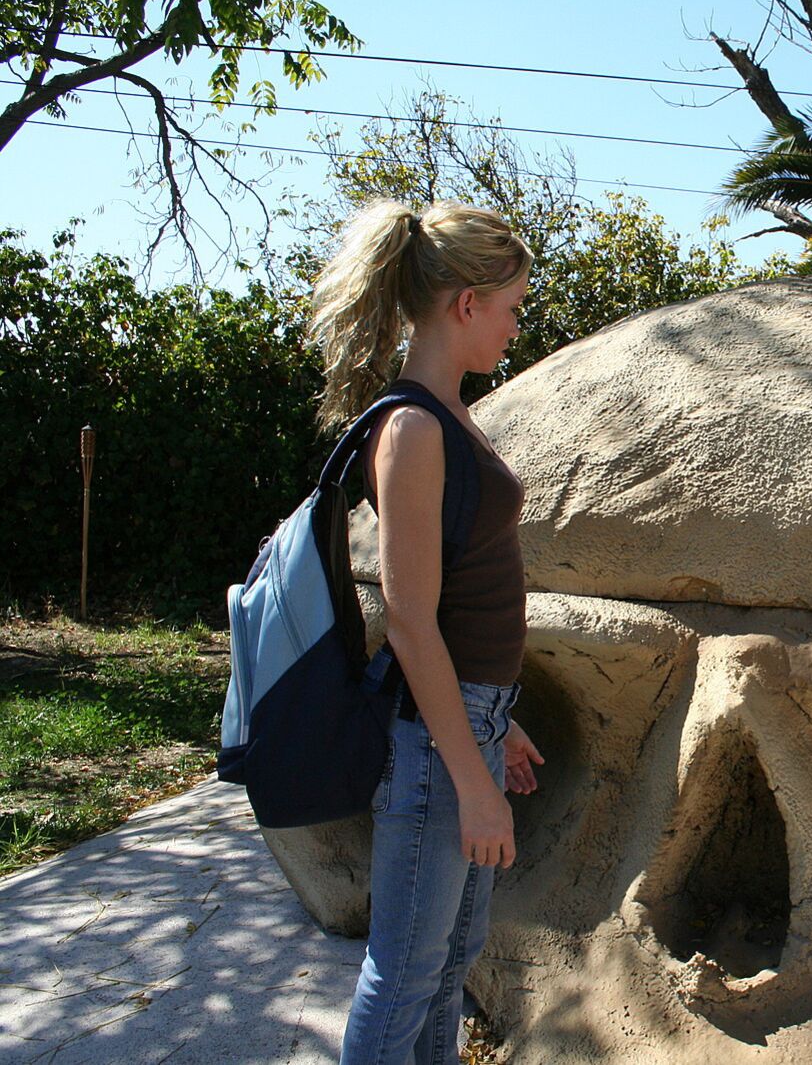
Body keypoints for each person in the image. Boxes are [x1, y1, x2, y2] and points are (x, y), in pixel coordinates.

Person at [311, 200, 546, 1065]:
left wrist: (499, 722)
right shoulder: (411, 426)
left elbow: (460, 604)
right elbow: (410, 621)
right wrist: (473, 782)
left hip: (473, 726)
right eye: (513, 306)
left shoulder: (447, 415)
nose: (516, 327)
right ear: (466, 303)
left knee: (450, 962)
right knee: (405, 971)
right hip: (437, 750)